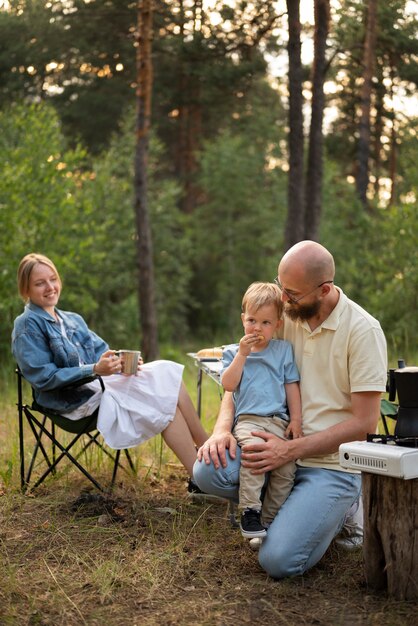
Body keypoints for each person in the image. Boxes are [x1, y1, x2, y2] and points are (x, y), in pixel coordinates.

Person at [193, 240, 387, 578]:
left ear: (324, 289)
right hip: (274, 444)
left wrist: (289, 450)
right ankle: (289, 508)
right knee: (208, 470)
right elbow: (239, 379)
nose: (283, 300)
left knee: (278, 562)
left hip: (331, 466)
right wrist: (222, 430)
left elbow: (364, 423)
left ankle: (342, 510)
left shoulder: (363, 331)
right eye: (282, 288)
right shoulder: (284, 316)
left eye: (292, 294)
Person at [12, 253, 208, 480]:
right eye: (40, 283)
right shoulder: (26, 325)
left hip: (100, 386)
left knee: (165, 375)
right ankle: (206, 466)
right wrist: (94, 370)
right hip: (70, 402)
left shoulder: (72, 319)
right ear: (25, 289)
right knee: (166, 398)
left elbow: (102, 352)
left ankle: (204, 460)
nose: (50, 287)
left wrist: (120, 361)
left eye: (53, 279)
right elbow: (44, 378)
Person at [221, 282, 302, 539]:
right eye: (252, 320)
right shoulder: (233, 352)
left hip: (278, 421)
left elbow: (291, 386)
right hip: (248, 421)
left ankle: (269, 521)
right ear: (243, 319)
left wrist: (296, 419)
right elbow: (228, 385)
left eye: (266, 323)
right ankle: (250, 511)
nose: (257, 328)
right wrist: (242, 355)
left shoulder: (282, 350)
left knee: (286, 469)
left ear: (277, 324)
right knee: (255, 455)